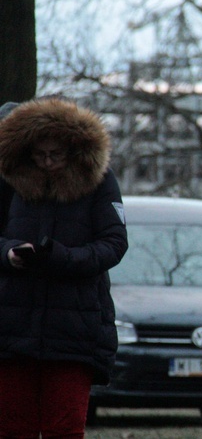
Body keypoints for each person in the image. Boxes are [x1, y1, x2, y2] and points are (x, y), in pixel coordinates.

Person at [0, 96, 129, 437]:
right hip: (12, 327)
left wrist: (63, 258)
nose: (46, 162)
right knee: (13, 427)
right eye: (38, 155)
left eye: (54, 155)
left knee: (65, 428)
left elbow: (115, 243)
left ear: (72, 148)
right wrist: (9, 253)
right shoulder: (8, 179)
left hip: (75, 329)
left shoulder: (99, 180)